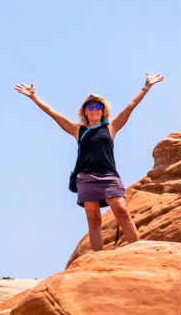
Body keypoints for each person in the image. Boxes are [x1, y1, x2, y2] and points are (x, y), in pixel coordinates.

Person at [15, 75, 165, 252]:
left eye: (98, 107)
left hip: (109, 176)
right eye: (90, 107)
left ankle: (137, 250)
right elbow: (53, 114)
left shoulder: (111, 127)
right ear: (85, 111)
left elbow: (130, 106)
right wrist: (34, 97)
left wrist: (146, 87)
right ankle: (98, 257)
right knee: (94, 220)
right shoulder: (78, 130)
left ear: (103, 111)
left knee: (121, 210)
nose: (94, 110)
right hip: (86, 177)